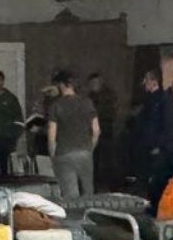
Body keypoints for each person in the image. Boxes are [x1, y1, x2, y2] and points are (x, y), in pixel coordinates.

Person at [46, 70, 100, 203]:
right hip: (84, 152)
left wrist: (53, 156)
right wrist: (89, 149)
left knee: (70, 197)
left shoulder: (56, 105)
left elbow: (52, 135)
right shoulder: (87, 102)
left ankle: (73, 216)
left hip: (64, 153)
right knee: (88, 194)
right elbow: (96, 130)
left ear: (61, 85)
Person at [128, 70, 173, 197]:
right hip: (146, 144)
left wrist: (159, 145)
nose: (144, 83)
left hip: (155, 145)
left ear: (154, 81)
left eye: (146, 80)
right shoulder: (148, 99)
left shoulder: (163, 99)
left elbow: (166, 124)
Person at [87, 72, 121, 188]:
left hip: (106, 130)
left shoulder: (108, 96)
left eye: (95, 83)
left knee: (108, 158)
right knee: (95, 158)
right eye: (92, 83)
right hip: (93, 131)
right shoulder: (90, 97)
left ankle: (110, 184)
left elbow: (112, 112)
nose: (94, 85)